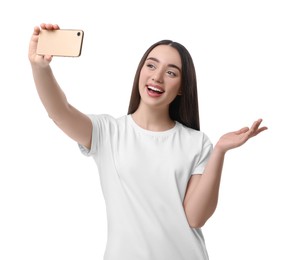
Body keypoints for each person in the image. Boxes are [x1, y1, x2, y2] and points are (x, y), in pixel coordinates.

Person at [29, 23, 267, 260]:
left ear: (183, 87)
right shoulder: (108, 132)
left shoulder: (197, 142)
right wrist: (40, 68)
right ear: (140, 71)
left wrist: (220, 151)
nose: (157, 77)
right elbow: (60, 112)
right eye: (151, 65)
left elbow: (195, 218)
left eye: (171, 72)